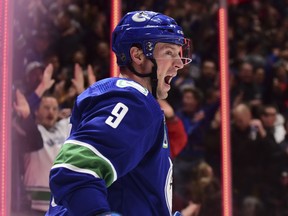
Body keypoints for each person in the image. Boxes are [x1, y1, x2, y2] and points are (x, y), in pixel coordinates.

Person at [46, 10, 192, 216]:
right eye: (168, 52)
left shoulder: (132, 100)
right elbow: (74, 169)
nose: (179, 63)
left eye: (179, 53)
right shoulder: (134, 100)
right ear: (138, 55)